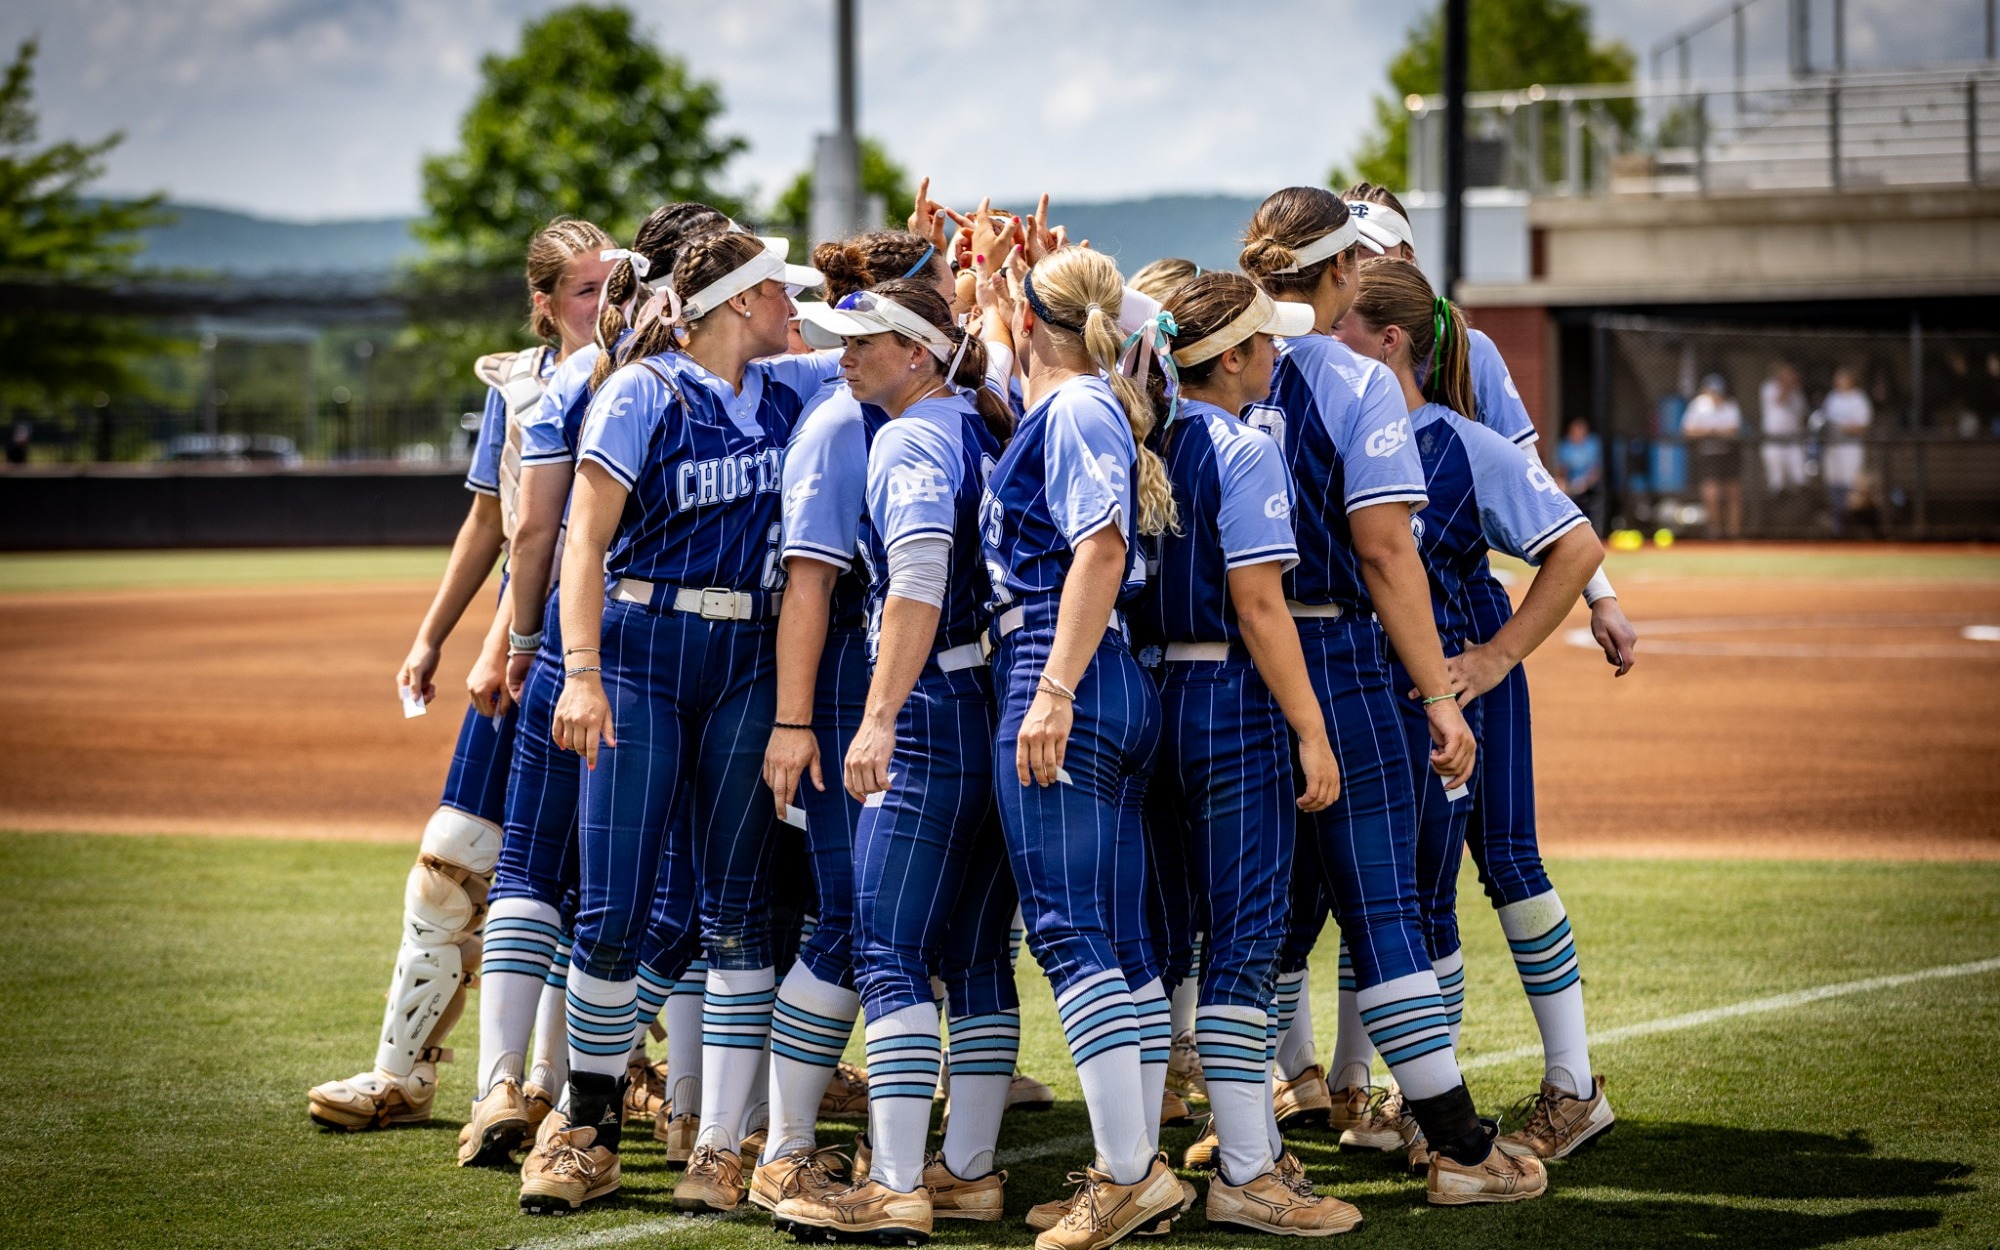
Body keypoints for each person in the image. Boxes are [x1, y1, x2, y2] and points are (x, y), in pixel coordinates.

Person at [1240, 186, 1543, 1208]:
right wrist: (1441, 695)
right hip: (1336, 659)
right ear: (1340, 273)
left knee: (1245, 923)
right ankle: (1453, 1143)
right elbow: (1383, 551)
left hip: (1216, 673)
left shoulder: (1185, 360)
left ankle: (1242, 1155)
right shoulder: (1350, 377)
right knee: (1383, 909)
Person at [522, 231, 834, 1215]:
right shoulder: (640, 392)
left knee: (738, 911)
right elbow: (583, 542)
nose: (794, 299)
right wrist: (576, 671)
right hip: (640, 648)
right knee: (613, 906)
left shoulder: (794, 387)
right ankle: (587, 1122)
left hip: (748, 658)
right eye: (777, 285)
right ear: (737, 302)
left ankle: (717, 1144)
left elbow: (950, 353)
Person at [1334, 181, 1631, 1165]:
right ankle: (1391, 1090)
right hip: (1379, 668)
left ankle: (1555, 1084)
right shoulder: (1337, 406)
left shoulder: (1463, 402)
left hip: (1459, 662)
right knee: (1393, 885)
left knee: (1492, 863)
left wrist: (1508, 648)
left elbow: (1558, 526)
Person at [306, 216, 612, 1137]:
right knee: (450, 865)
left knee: (576, 871)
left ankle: (555, 1087)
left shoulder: (646, 378)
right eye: (585, 290)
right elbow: (492, 519)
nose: (603, 304)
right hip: (518, 645)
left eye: (611, 286)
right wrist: (437, 634)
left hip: (598, 650)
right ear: (545, 304)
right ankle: (401, 1073)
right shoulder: (517, 388)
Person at [457, 205, 722, 1170]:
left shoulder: (577, 377)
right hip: (655, 650)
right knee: (669, 880)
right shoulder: (704, 382)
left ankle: (504, 1086)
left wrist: (525, 641)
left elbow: (534, 533)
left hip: (577, 650)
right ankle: (674, 1102)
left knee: (536, 865)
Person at [772, 278, 1019, 1241]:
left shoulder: (912, 436)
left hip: (933, 705)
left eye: (864, 341)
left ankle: (899, 1185)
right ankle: (966, 1173)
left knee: (885, 947)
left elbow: (915, 578)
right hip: (987, 698)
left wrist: (877, 716)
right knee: (975, 955)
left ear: (917, 353)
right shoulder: (978, 422)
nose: (844, 354)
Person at [1131, 271, 1363, 1236]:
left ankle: (1133, 1159)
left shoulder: (1139, 433)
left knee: (1156, 939)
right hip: (1231, 697)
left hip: (1149, 695)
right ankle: (1248, 1168)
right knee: (1243, 937)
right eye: (1265, 343)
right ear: (1230, 358)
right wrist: (1313, 727)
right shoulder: (1242, 445)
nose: (1277, 356)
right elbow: (1262, 605)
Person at [983, 246, 1190, 1250]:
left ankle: (1123, 1175)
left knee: (1070, 933)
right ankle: (1129, 1161)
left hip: (1063, 668)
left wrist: (1051, 689)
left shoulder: (1072, 409)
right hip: (1109, 678)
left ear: (1033, 323)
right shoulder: (1085, 400)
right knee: (1117, 935)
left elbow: (1097, 546)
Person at [751, 221, 956, 1211]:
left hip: (908, 681)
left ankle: (902, 1150)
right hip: (845, 684)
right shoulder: (843, 418)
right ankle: (784, 1145)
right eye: (940, 277)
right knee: (850, 914)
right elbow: (807, 583)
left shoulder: (928, 395)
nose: (955, 289)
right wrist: (797, 721)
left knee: (899, 921)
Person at [1682, 373, 1743, 539]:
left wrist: (1714, 432)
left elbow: (1733, 431)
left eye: (1718, 391)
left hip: (1728, 454)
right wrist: (1710, 432)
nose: (1715, 395)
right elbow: (1688, 430)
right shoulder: (1699, 406)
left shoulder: (1730, 406)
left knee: (1733, 493)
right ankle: (1715, 532)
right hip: (1707, 455)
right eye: (1712, 391)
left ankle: (1733, 535)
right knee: (1711, 493)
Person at [1818, 367, 1872, 537]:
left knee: (1852, 490)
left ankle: (1854, 528)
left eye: (1842, 378)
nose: (1838, 381)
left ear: (1850, 380)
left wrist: (1841, 427)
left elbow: (1864, 426)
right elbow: (1824, 421)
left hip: (1851, 449)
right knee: (1834, 487)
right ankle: (1838, 529)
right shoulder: (1832, 397)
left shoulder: (1859, 399)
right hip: (1833, 450)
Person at [1760, 363, 1808, 496]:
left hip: (1793, 438)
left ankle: (1799, 504)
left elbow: (1802, 414)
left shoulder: (1797, 393)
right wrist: (1787, 385)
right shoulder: (1769, 387)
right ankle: (1777, 503)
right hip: (1774, 438)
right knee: (1776, 481)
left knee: (1799, 477)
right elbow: (1780, 400)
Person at [1555, 418, 1602, 514]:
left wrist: (1585, 483)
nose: (1579, 434)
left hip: (1589, 486)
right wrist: (1566, 484)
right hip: (1570, 486)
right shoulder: (1564, 447)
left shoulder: (1592, 444)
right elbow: (1561, 469)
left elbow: (1596, 469)